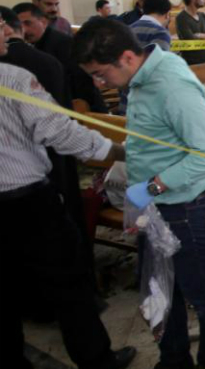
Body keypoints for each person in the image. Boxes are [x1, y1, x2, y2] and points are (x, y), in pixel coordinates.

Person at [74, 19, 205, 369]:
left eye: (100, 74)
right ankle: (174, 361)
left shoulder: (171, 85)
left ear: (128, 57)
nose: (99, 83)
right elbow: (153, 134)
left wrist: (153, 185)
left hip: (189, 211)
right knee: (161, 292)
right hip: (157, 207)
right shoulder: (141, 79)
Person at [0, 23, 135, 369]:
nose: (8, 35)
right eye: (0, 29)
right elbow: (61, 132)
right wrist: (119, 152)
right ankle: (96, 361)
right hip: (25, 203)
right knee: (69, 287)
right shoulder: (12, 79)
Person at [13, 2, 107, 112]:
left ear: (43, 22)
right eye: (19, 25)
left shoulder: (62, 43)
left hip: (83, 111)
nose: (24, 30)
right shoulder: (34, 45)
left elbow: (79, 83)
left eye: (28, 23)